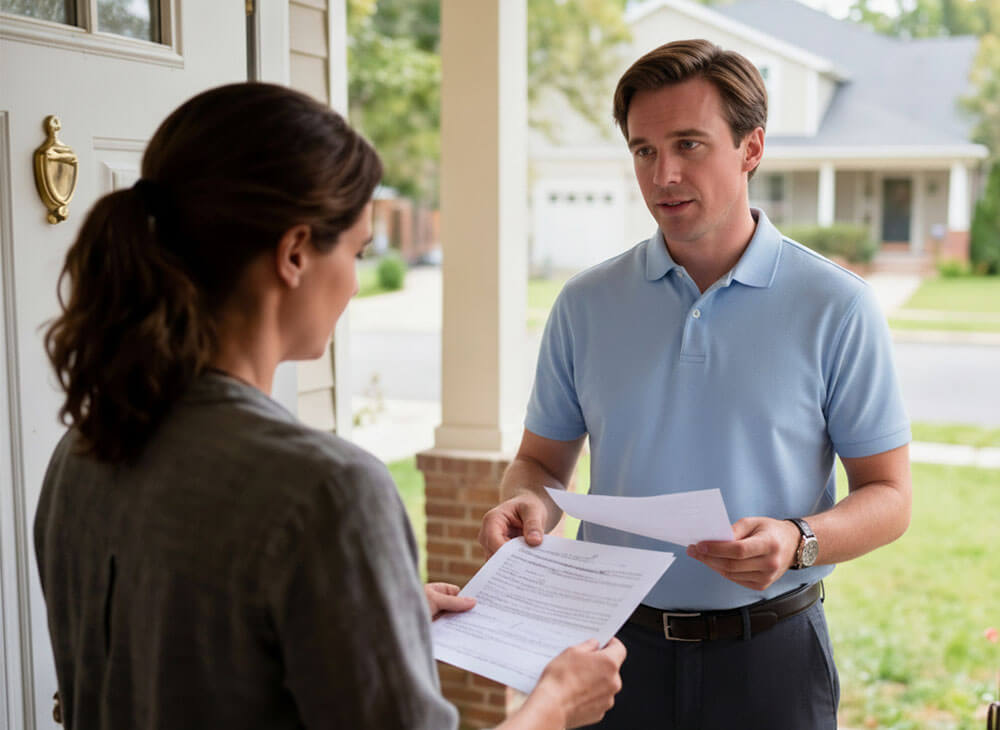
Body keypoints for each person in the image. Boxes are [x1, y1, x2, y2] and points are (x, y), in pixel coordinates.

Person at [35, 82, 625, 730]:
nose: (355, 277)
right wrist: (555, 704)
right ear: (293, 254)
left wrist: (370, 617)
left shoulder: (84, 449)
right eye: (358, 251)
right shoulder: (329, 491)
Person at [479, 39, 912, 730]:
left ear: (751, 148)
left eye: (689, 144)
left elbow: (890, 497)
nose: (664, 174)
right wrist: (526, 505)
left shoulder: (837, 306)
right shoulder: (585, 304)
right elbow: (538, 464)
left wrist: (799, 539)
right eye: (644, 150)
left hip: (772, 659)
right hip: (614, 656)